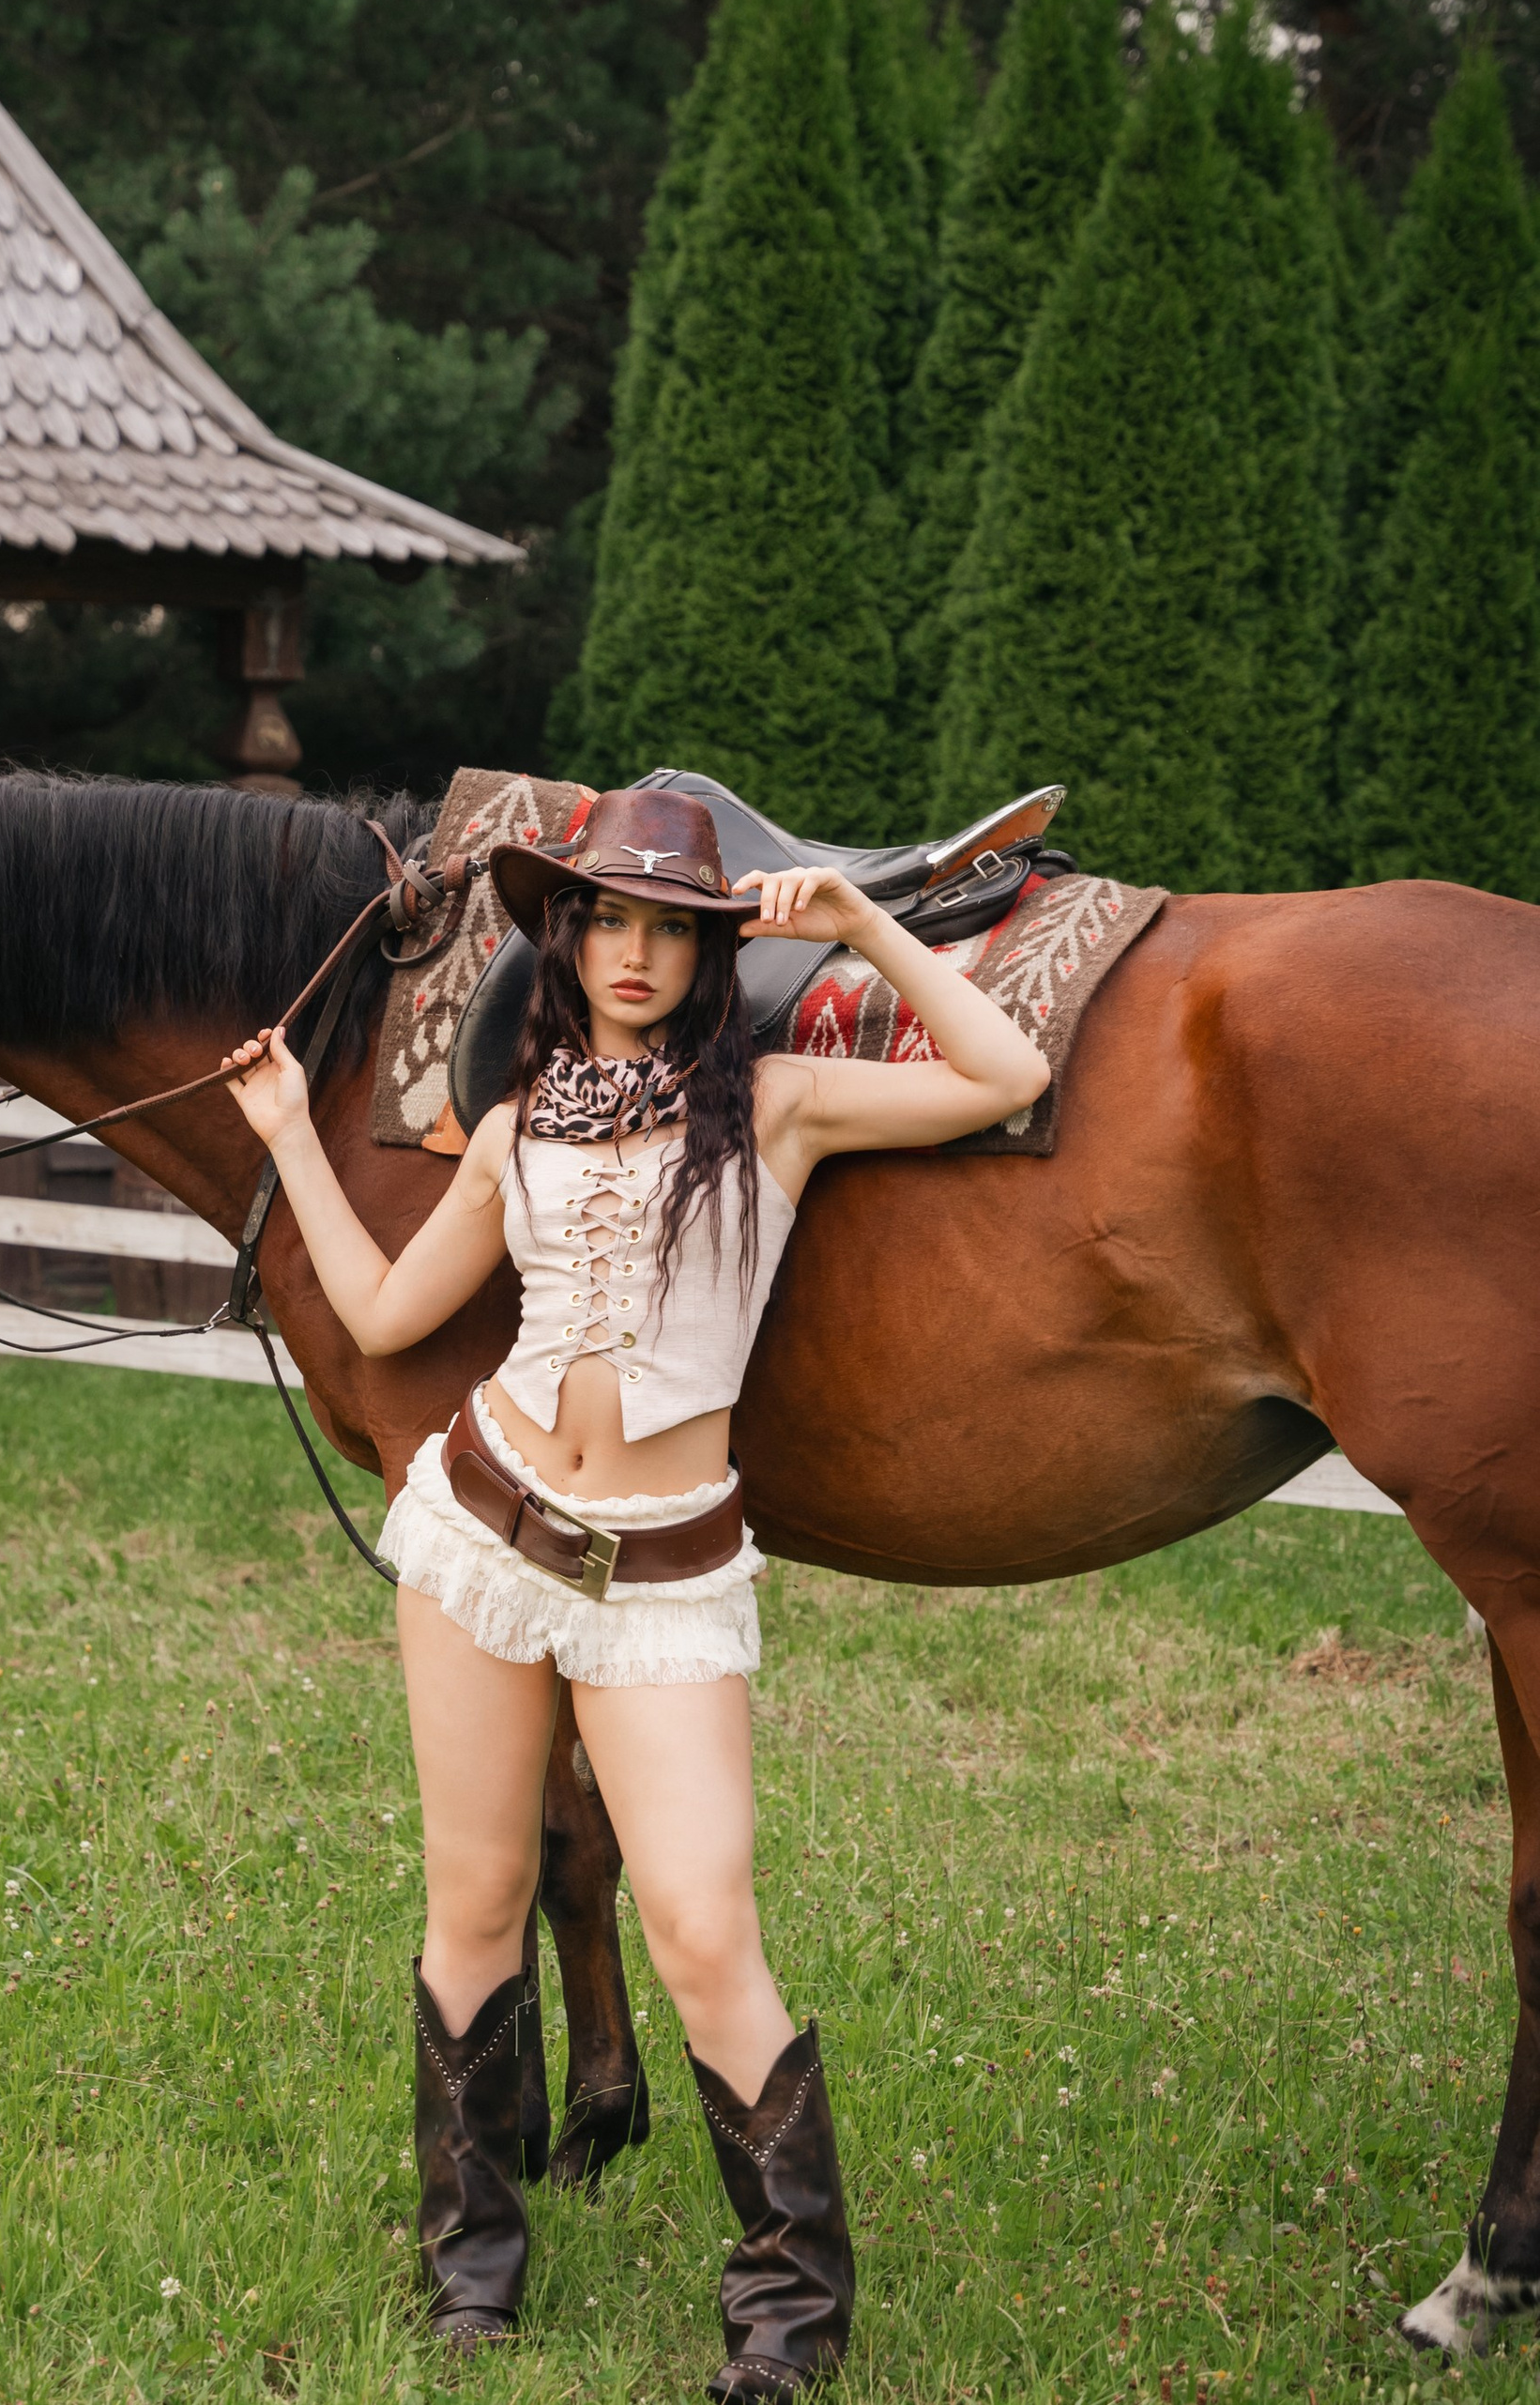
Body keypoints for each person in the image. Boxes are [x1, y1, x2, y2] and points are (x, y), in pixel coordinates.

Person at [222, 787, 1050, 2397]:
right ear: (569, 936)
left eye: (673, 927)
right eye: (610, 919)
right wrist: (281, 1144)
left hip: (663, 1570)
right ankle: (472, 2275)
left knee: (700, 1921)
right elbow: (390, 1315)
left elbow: (1004, 1074)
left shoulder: (789, 1105)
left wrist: (867, 927)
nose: (635, 951)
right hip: (482, 1529)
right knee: (472, 1902)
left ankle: (790, 2320)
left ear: (710, 954)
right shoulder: (522, 1120)